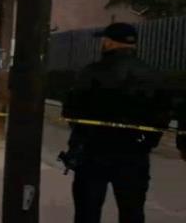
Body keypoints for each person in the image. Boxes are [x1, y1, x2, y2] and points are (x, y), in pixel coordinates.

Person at [61, 22, 170, 223]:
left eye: (104, 40)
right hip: (133, 154)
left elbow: (70, 111)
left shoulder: (91, 72)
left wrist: (82, 134)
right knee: (132, 212)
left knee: (87, 212)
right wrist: (146, 142)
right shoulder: (152, 74)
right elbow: (162, 115)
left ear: (110, 43)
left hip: (92, 152)